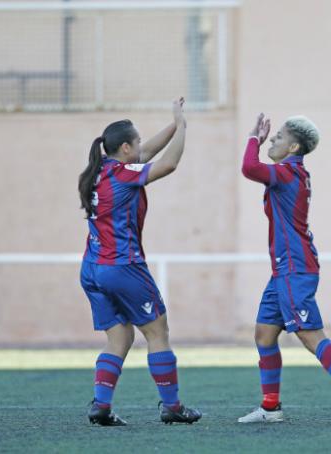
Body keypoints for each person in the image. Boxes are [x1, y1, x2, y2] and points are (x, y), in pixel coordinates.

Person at [238, 113, 331, 424]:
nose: (272, 140)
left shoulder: (287, 173)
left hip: (295, 268)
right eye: (271, 138)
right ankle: (270, 408)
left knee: (309, 334)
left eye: (278, 138)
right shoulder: (291, 172)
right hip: (285, 270)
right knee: (264, 334)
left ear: (294, 146)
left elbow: (249, 167)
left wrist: (253, 140)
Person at [78, 97, 201, 426]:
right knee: (157, 331)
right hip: (122, 267)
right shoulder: (124, 175)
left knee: (119, 338)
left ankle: (100, 406)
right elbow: (168, 164)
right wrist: (183, 129)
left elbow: (145, 154)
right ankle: (172, 406)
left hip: (92, 268)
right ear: (125, 149)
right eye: (137, 142)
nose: (141, 146)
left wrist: (174, 123)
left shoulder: (101, 169)